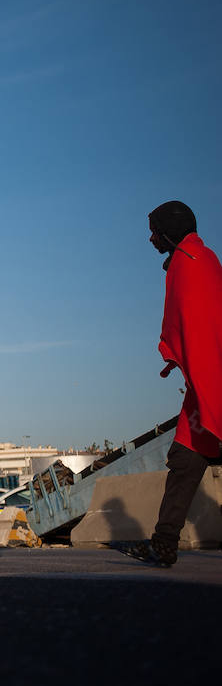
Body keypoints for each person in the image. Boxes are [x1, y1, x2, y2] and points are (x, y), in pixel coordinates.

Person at [114, 201, 222, 567]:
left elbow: (198, 326)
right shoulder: (200, 260)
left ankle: (164, 542)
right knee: (186, 458)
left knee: (189, 457)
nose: (150, 238)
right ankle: (164, 542)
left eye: (155, 231)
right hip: (207, 380)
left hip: (213, 380)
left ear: (169, 232)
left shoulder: (188, 265)